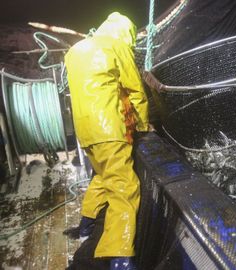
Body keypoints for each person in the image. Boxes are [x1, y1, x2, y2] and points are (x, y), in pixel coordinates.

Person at [64, 12, 149, 270]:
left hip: (86, 131)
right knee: (125, 187)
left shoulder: (75, 50)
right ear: (126, 34)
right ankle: (120, 257)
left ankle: (86, 225)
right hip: (109, 129)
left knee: (102, 175)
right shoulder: (117, 45)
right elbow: (135, 91)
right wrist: (143, 127)